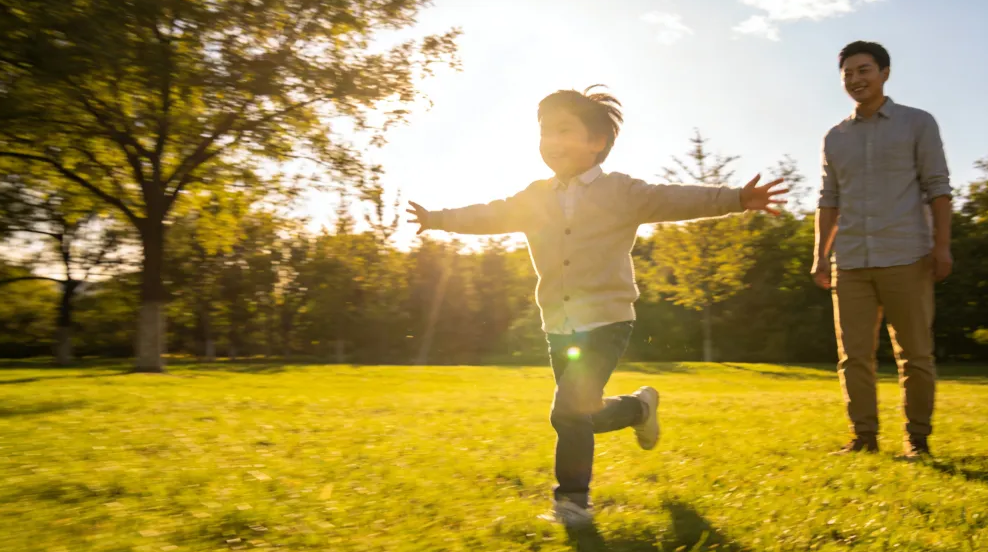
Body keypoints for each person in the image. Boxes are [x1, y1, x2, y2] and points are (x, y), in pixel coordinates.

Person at [407, 85, 788, 526]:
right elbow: (490, 214)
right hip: (559, 324)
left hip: (607, 320)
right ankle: (638, 409)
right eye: (545, 131)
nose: (551, 140)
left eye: (564, 130)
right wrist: (438, 219)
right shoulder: (535, 197)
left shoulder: (621, 192)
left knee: (567, 411)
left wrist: (736, 199)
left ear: (597, 142)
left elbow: (677, 197)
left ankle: (572, 503)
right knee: (581, 412)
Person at [811, 41, 953, 461]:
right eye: (848, 74)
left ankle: (917, 441)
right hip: (851, 260)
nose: (855, 79)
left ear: (885, 73)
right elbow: (828, 199)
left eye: (864, 70)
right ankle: (864, 438)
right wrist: (821, 255)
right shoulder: (834, 137)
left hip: (907, 255)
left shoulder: (917, 123)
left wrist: (941, 246)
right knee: (852, 356)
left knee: (915, 356)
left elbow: (938, 188)